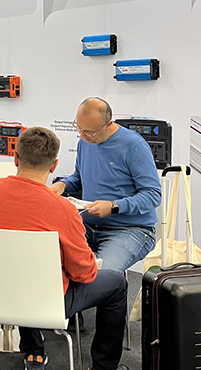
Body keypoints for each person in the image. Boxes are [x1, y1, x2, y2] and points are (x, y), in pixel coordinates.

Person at [0, 127, 128, 370]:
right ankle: (103, 367)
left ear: (16, 158)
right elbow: (84, 274)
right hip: (47, 302)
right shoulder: (64, 209)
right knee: (117, 284)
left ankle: (34, 351)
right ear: (54, 165)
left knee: (19, 272)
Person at [50, 97, 161, 273]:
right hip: (87, 226)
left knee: (102, 276)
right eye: (79, 128)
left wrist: (114, 206)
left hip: (129, 229)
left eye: (89, 132)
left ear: (108, 124)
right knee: (50, 259)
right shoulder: (85, 142)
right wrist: (63, 185)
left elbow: (153, 195)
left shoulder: (134, 146)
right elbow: (79, 177)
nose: (82, 136)